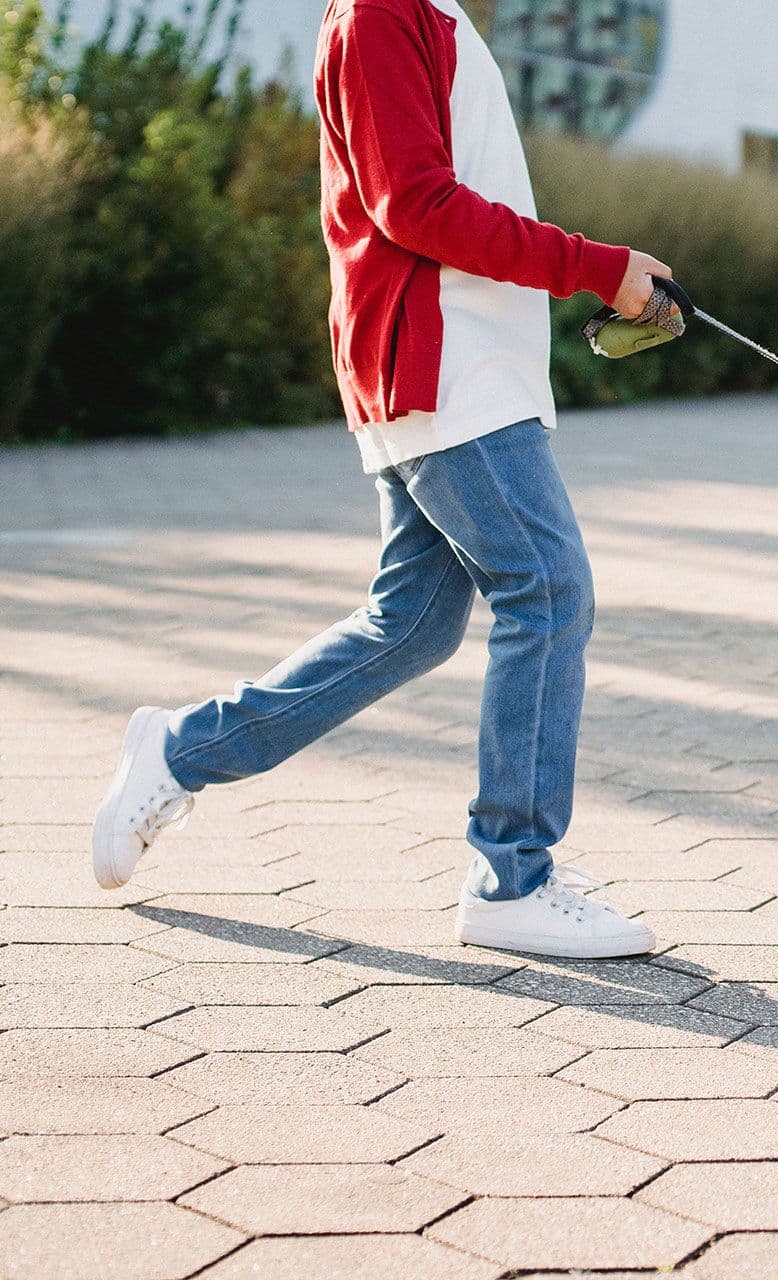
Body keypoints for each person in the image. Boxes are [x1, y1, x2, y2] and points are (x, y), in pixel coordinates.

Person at [89, 0, 665, 958]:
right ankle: (511, 875)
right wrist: (598, 266)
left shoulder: (431, 14)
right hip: (444, 371)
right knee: (549, 591)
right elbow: (415, 205)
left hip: (459, 369)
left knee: (412, 626)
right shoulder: (379, 12)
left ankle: (179, 751)